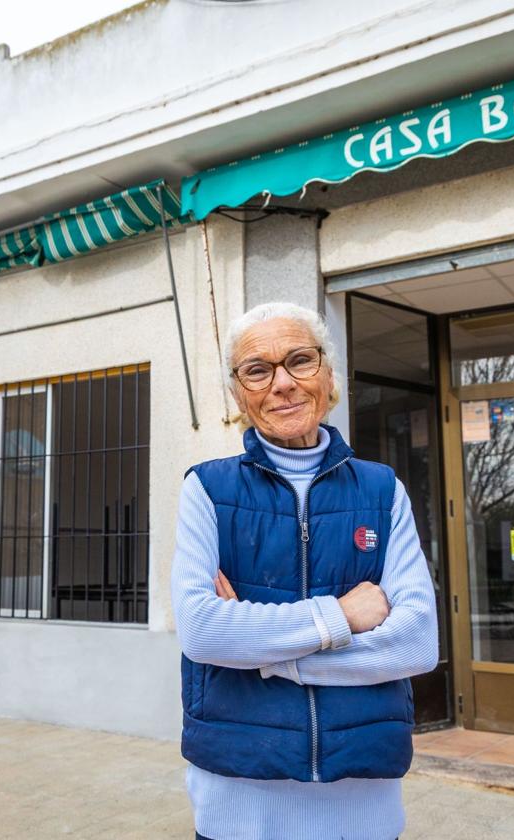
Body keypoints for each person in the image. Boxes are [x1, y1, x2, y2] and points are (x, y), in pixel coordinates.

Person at [171, 301, 439, 840]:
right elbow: (201, 631)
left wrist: (273, 660)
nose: (283, 383)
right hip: (239, 796)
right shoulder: (207, 489)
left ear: (329, 374)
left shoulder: (382, 490)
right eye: (258, 369)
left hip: (362, 797)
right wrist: (341, 615)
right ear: (238, 393)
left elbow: (416, 644)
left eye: (300, 360)